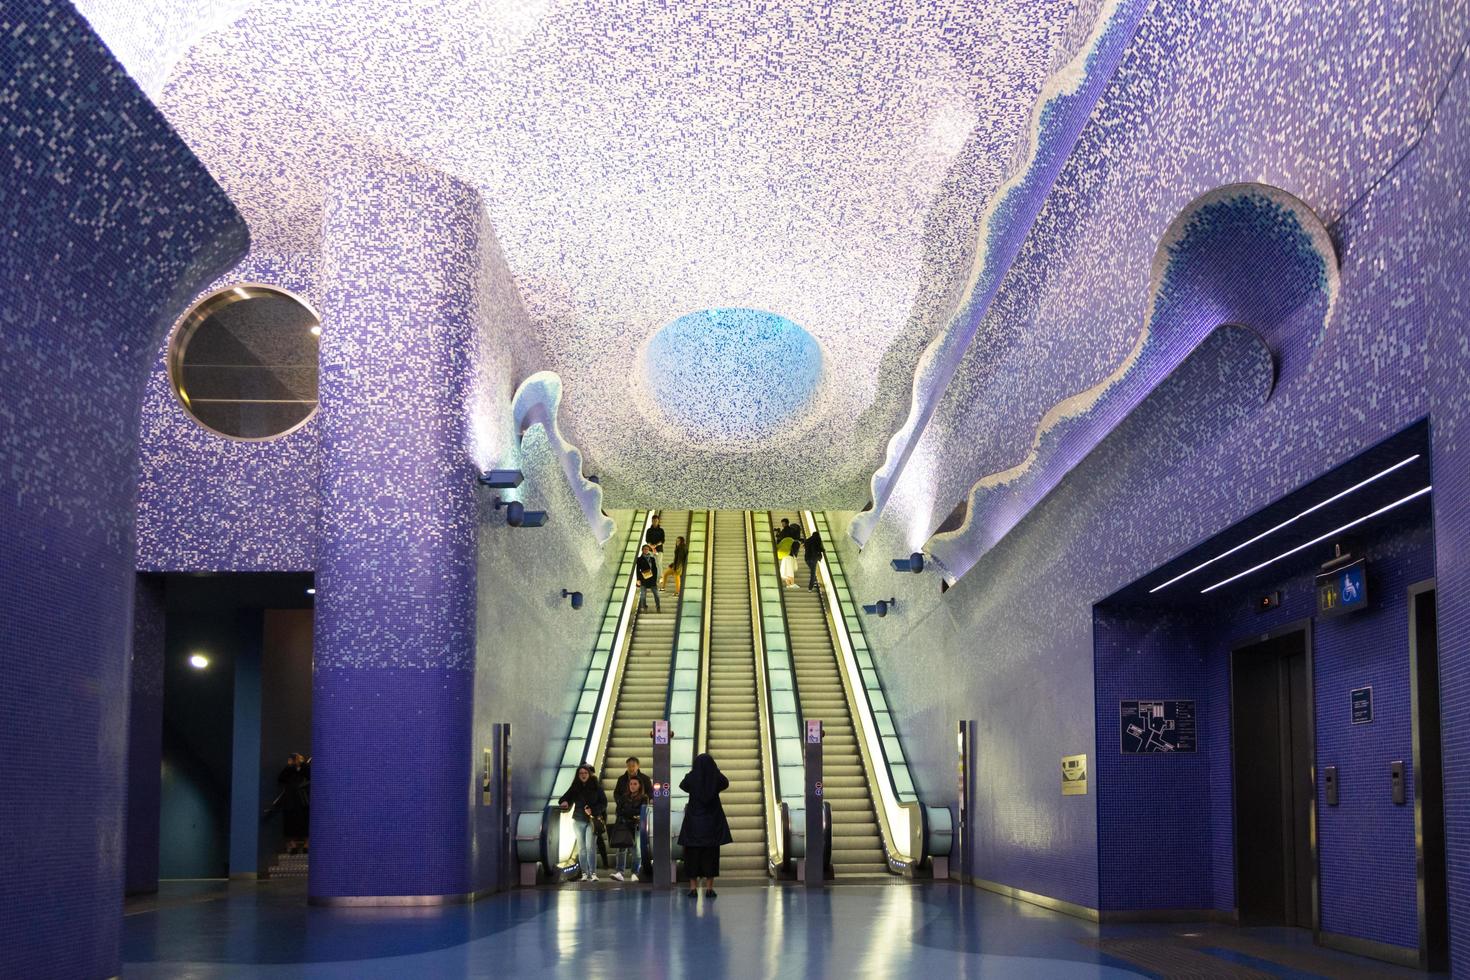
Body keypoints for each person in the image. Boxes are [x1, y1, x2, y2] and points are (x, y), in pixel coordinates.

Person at [677, 753, 732, 898]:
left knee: (692, 857)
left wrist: (693, 772)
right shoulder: (715, 778)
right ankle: (709, 889)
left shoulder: (692, 778)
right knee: (711, 857)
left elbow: (682, 785)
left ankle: (693, 888)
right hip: (712, 824)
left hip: (694, 824)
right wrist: (716, 771)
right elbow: (725, 782)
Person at [558, 762, 607, 881]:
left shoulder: (596, 787)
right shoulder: (575, 787)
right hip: (578, 819)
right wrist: (564, 802)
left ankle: (593, 873)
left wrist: (593, 811)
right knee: (581, 848)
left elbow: (604, 803)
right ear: (578, 775)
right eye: (581, 773)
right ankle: (584, 873)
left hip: (592, 820)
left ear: (589, 774)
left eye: (585, 773)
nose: (583, 775)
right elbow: (564, 798)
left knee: (590, 847)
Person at [609, 775, 646, 881]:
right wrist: (631, 814)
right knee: (621, 849)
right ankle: (619, 872)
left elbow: (641, 812)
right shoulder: (624, 797)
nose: (632, 786)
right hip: (624, 825)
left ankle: (635, 872)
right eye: (631, 784)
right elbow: (618, 811)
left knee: (636, 850)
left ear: (639, 786)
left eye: (635, 784)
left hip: (636, 826)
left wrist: (628, 813)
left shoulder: (644, 797)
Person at [276, 753, 311, 854]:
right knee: (291, 821)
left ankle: (306, 844)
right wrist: (289, 766)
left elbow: (310, 774)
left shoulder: (305, 769)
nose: (296, 760)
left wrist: (302, 764)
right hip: (291, 800)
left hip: (304, 799)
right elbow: (281, 778)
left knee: (305, 820)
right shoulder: (289, 770)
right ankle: (293, 844)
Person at [635, 544, 660, 612]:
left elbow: (655, 569)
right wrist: (638, 579)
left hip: (652, 579)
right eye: (645, 549)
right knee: (643, 594)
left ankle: (658, 607)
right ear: (642, 550)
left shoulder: (652, 558)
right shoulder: (639, 559)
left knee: (656, 594)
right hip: (644, 578)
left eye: (647, 549)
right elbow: (638, 569)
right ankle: (644, 607)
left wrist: (656, 578)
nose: (646, 550)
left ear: (649, 550)